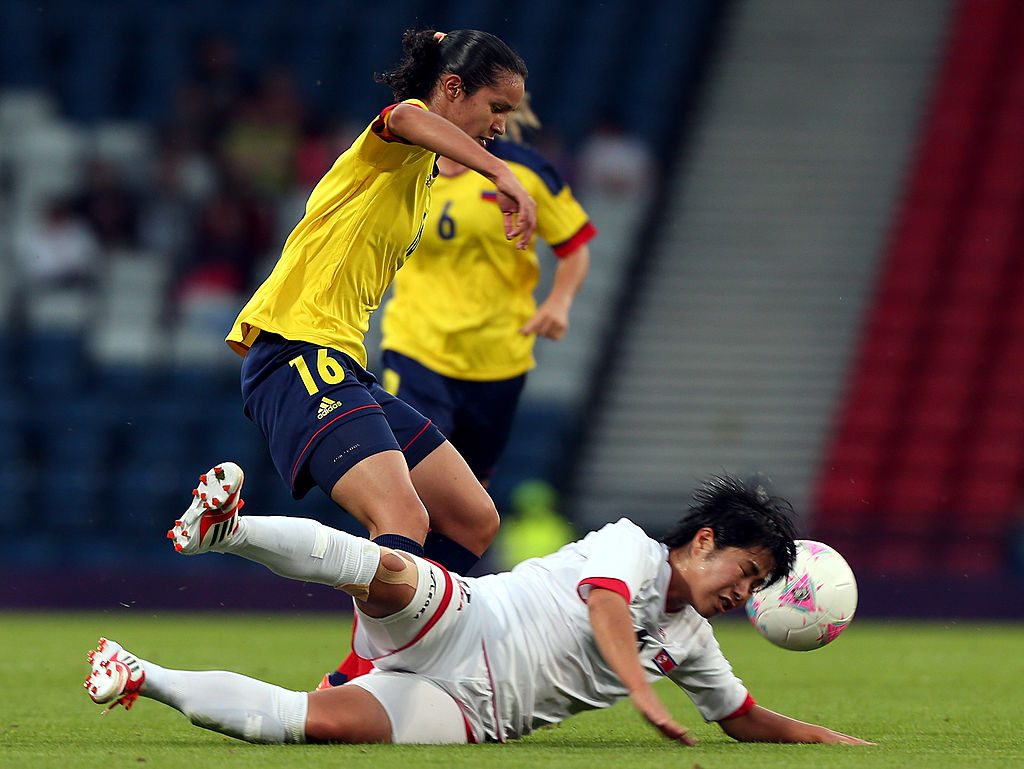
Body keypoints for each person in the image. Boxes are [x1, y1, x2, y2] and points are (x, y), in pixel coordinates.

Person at [85, 464, 871, 747]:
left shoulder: (692, 641)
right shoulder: (628, 546)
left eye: (757, 583)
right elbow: (603, 606)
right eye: (746, 568)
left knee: (306, 723)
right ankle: (226, 528)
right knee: (385, 570)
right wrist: (639, 691)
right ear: (702, 541)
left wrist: (830, 737)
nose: (743, 591)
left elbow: (739, 714)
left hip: (467, 713)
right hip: (468, 617)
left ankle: (137, 672)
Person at [222, 30, 537, 580]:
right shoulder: (403, 136)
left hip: (343, 362)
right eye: (496, 108)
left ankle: (398, 653)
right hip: (297, 348)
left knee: (472, 519)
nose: (501, 126)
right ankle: (366, 665)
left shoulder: (420, 177)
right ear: (454, 87)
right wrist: (501, 172)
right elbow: (405, 116)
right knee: (402, 518)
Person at [378, 97, 595, 485]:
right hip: (416, 345)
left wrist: (559, 303)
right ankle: (398, 545)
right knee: (415, 476)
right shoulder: (404, 164)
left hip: (497, 356)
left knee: (471, 493)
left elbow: (574, 247)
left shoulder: (525, 171)